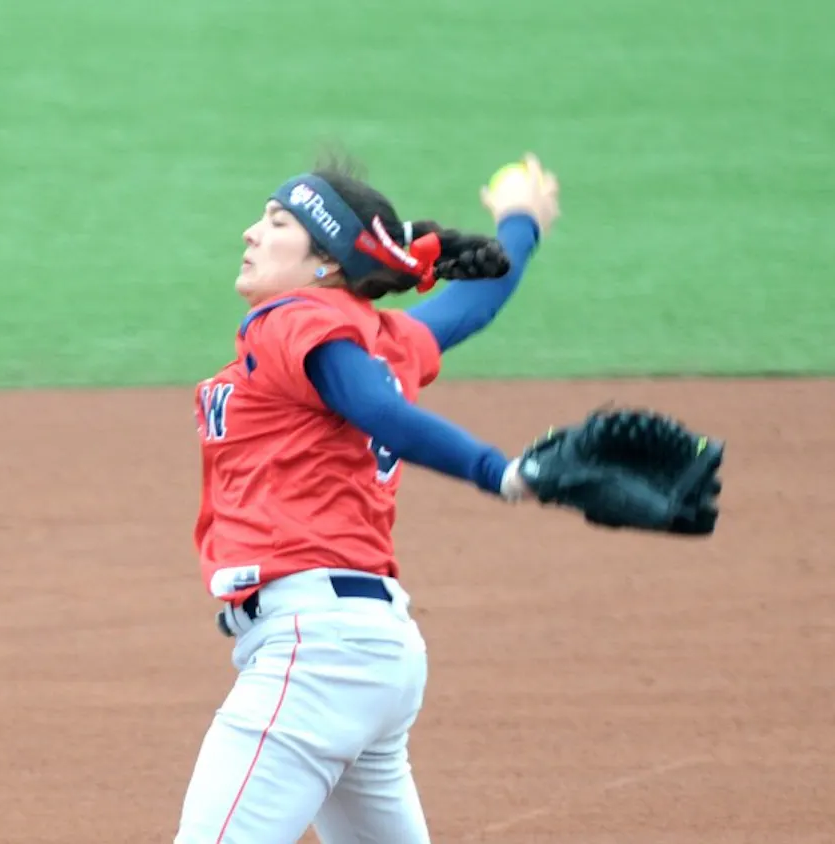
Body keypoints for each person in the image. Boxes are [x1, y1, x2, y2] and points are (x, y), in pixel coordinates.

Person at [174, 152, 562, 843]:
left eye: (278, 221)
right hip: (371, 651)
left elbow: (375, 409)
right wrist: (521, 222)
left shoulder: (293, 321)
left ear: (325, 262)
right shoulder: (385, 339)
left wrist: (496, 471)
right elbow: (475, 303)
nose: (251, 233)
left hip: (316, 656)